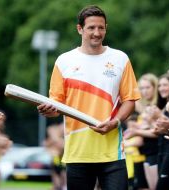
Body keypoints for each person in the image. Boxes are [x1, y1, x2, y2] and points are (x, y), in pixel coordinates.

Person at [37, 5, 140, 190]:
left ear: (106, 28)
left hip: (112, 154)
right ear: (80, 29)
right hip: (78, 153)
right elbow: (56, 105)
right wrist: (48, 111)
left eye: (101, 27)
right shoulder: (64, 61)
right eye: (91, 27)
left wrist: (115, 122)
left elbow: (130, 101)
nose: (97, 32)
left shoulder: (120, 59)